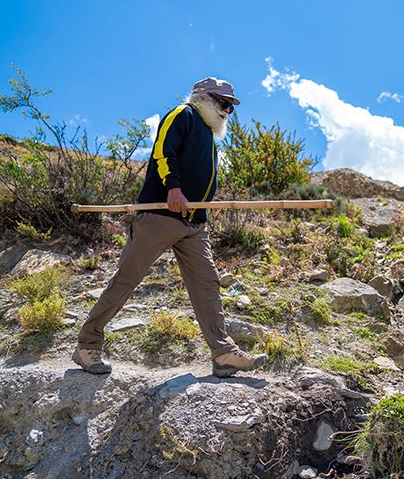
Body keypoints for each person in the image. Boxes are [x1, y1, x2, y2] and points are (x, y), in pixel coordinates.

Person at [72, 77, 268, 377]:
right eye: (223, 103)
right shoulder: (182, 115)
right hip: (160, 215)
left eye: (231, 107)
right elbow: (164, 152)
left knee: (207, 284)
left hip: (194, 223)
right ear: (203, 97)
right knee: (127, 279)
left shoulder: (207, 134)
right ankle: (87, 346)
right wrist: (174, 188)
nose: (227, 111)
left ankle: (223, 353)